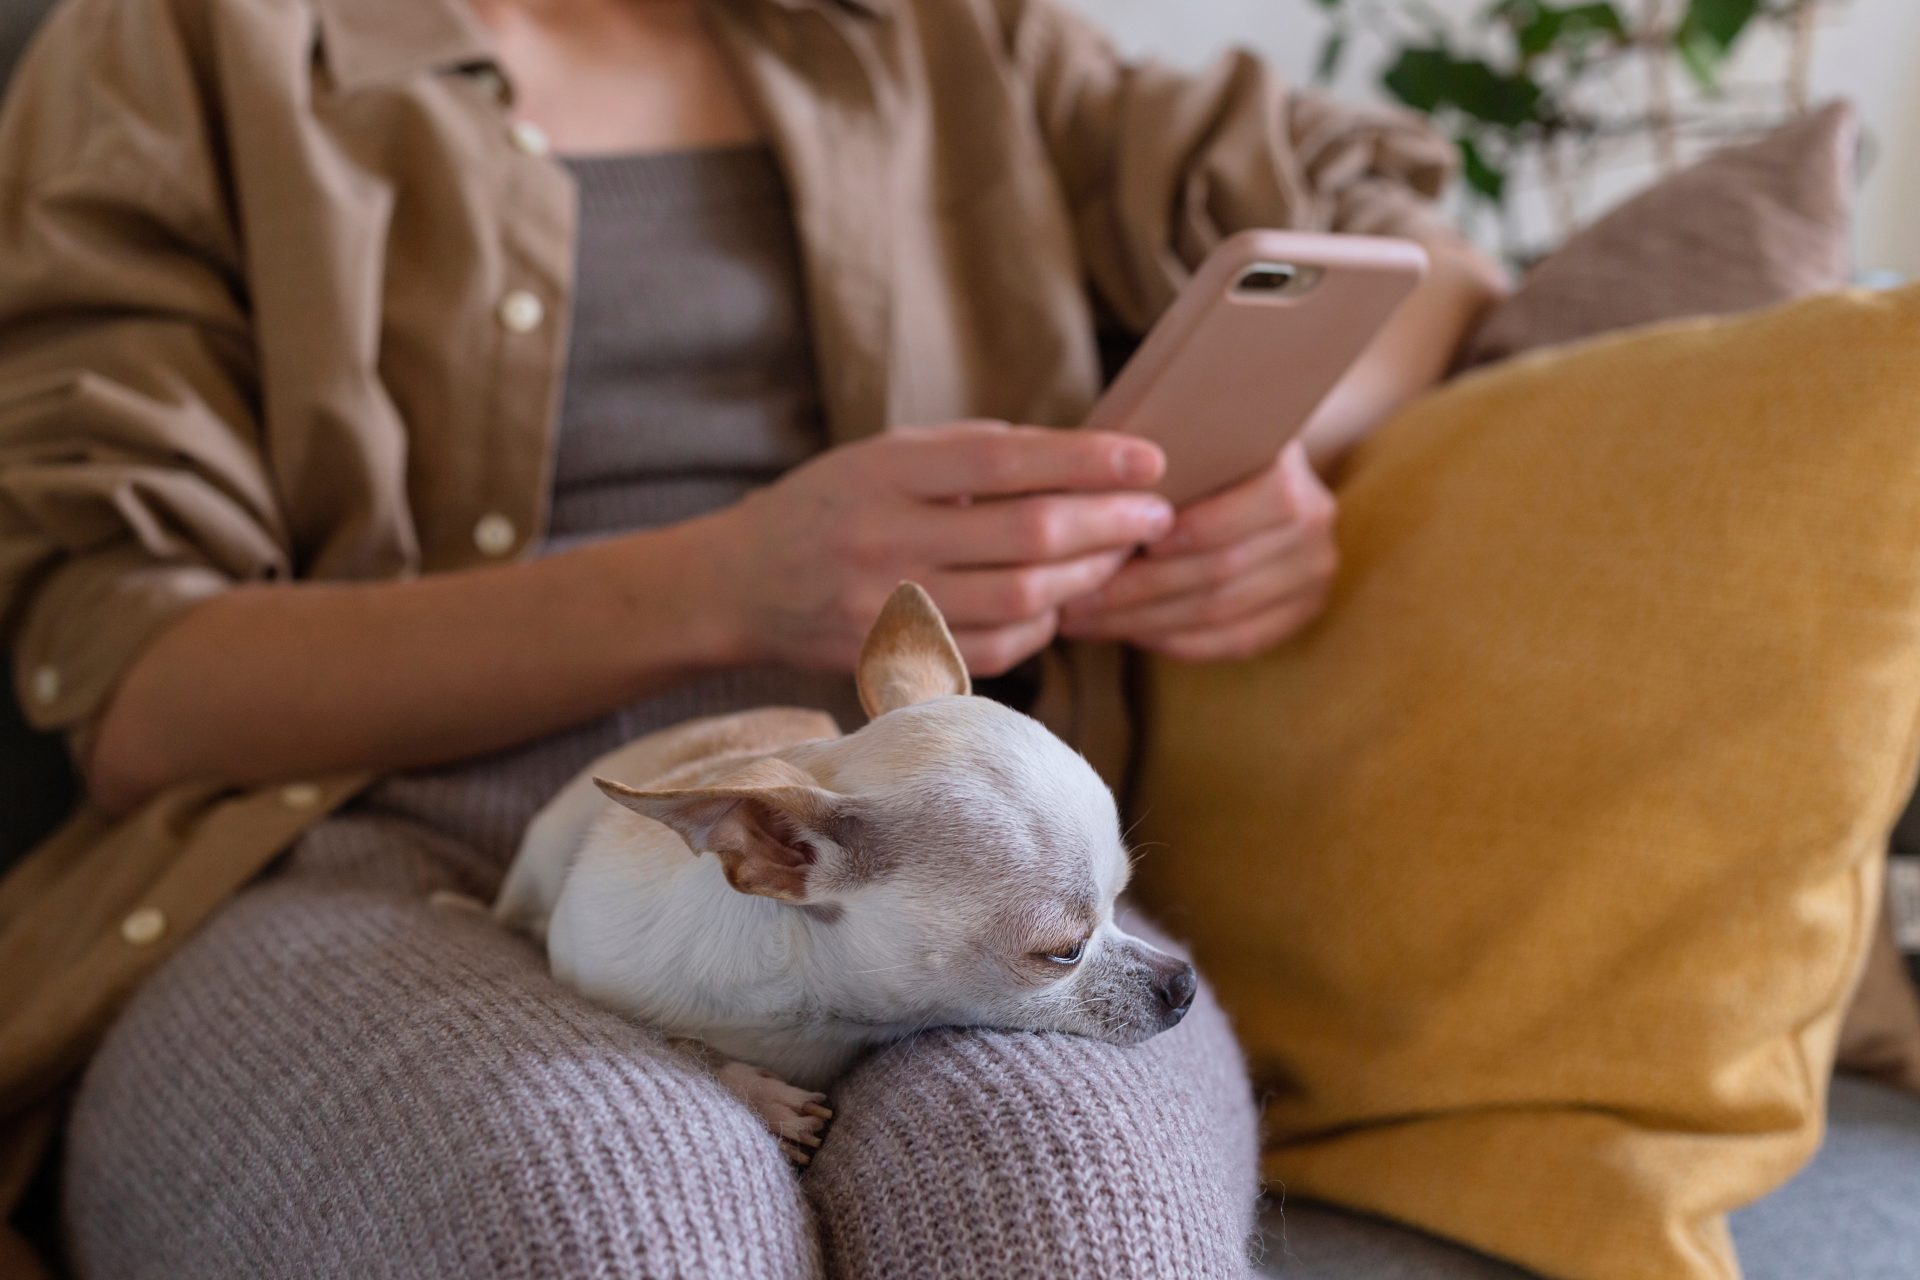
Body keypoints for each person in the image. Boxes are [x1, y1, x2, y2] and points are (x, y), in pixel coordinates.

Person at [0, 0, 1504, 1273]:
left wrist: (1273, 471)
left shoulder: (950, 31)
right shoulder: (192, 43)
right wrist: (720, 585)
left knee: (1072, 1227)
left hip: (954, 873)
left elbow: (1409, 242)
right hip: (362, 858)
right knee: (616, 1227)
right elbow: (133, 679)